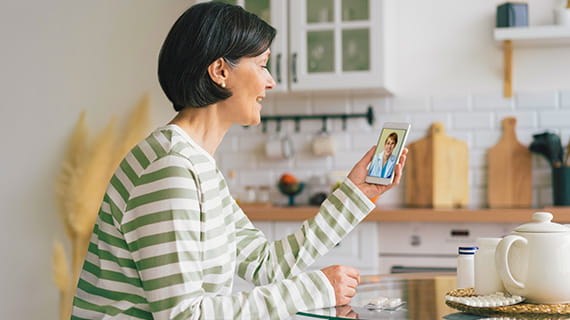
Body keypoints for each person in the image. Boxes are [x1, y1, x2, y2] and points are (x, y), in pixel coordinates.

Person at [71, 2, 408, 319]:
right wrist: (315, 289)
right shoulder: (169, 169)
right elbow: (186, 316)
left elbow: (265, 265)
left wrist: (356, 192)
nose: (271, 81)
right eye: (262, 65)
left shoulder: (197, 165)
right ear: (220, 71)